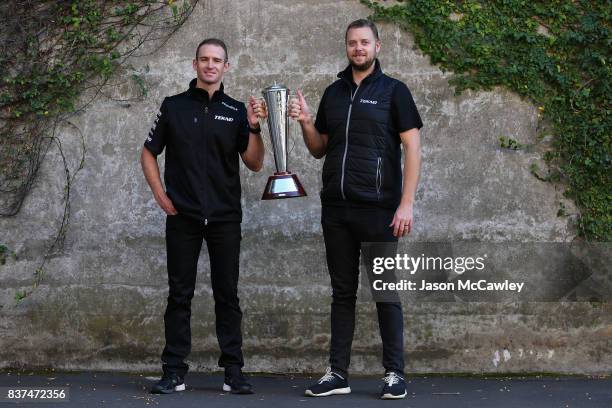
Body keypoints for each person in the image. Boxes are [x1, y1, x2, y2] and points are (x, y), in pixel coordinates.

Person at [289, 19, 423, 399]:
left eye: (365, 42)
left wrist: (406, 204)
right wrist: (303, 122)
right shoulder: (333, 93)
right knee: (342, 293)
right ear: (346, 48)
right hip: (336, 210)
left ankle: (394, 374)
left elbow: (412, 148)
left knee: (384, 291)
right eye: (352, 43)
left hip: (380, 211)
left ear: (377, 47)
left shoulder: (394, 92)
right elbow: (319, 148)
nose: (358, 48)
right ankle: (338, 374)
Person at [140, 38, 266, 395]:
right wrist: (161, 195)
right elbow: (148, 153)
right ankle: (174, 371)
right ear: (194, 64)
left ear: (226, 67)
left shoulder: (237, 110)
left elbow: (255, 163)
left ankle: (233, 372)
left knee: (227, 295)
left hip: (225, 217)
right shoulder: (173, 107)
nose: (210, 65)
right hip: (184, 216)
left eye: (217, 60)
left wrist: (254, 126)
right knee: (180, 294)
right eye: (204, 59)